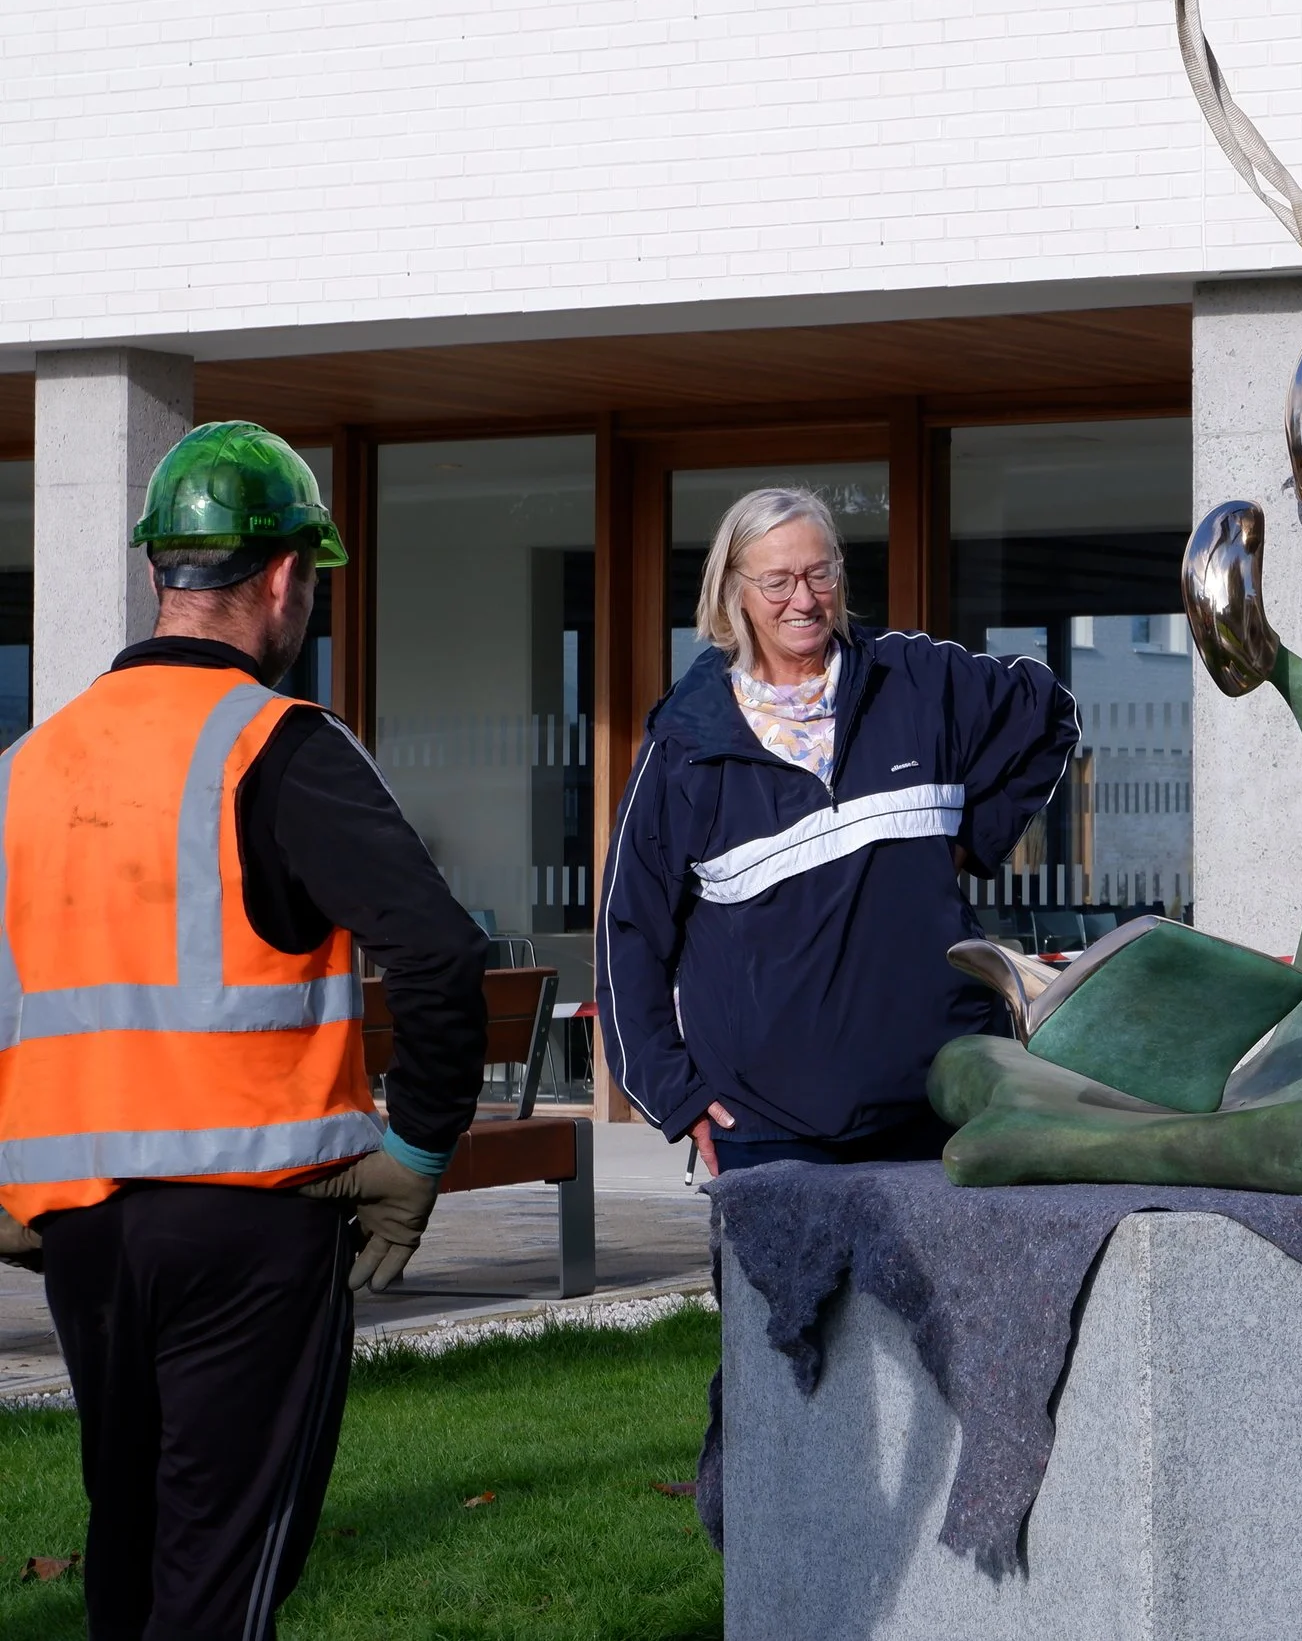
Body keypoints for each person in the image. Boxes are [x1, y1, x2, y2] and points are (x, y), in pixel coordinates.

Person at [0, 420, 489, 1641]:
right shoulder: (279, 745)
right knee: (221, 1579)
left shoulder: (30, 763)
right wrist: (420, 1154)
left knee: (133, 1548)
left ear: (163, 569)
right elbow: (434, 951)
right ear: (282, 576)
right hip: (254, 1221)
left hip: (83, 1235)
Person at [598, 485, 1078, 1176]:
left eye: (820, 573)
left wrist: (971, 837)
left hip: (940, 1105)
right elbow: (630, 935)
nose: (805, 598)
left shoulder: (916, 681)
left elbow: (1047, 713)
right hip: (768, 1129)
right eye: (778, 580)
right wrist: (676, 1096)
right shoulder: (686, 748)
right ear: (733, 589)